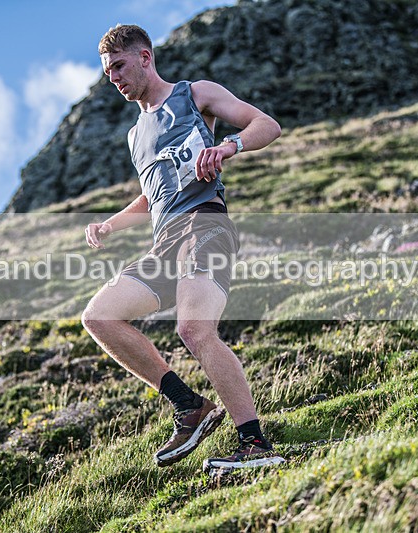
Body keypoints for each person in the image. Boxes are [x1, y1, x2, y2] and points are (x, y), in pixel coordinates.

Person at [81, 24, 284, 472]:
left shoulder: (193, 94)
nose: (113, 77)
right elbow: (151, 195)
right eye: (107, 71)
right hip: (164, 241)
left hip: (204, 225)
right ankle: (189, 406)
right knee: (98, 316)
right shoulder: (136, 136)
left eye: (119, 65)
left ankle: (255, 444)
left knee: (194, 331)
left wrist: (228, 147)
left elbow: (266, 125)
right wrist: (110, 226)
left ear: (145, 58)